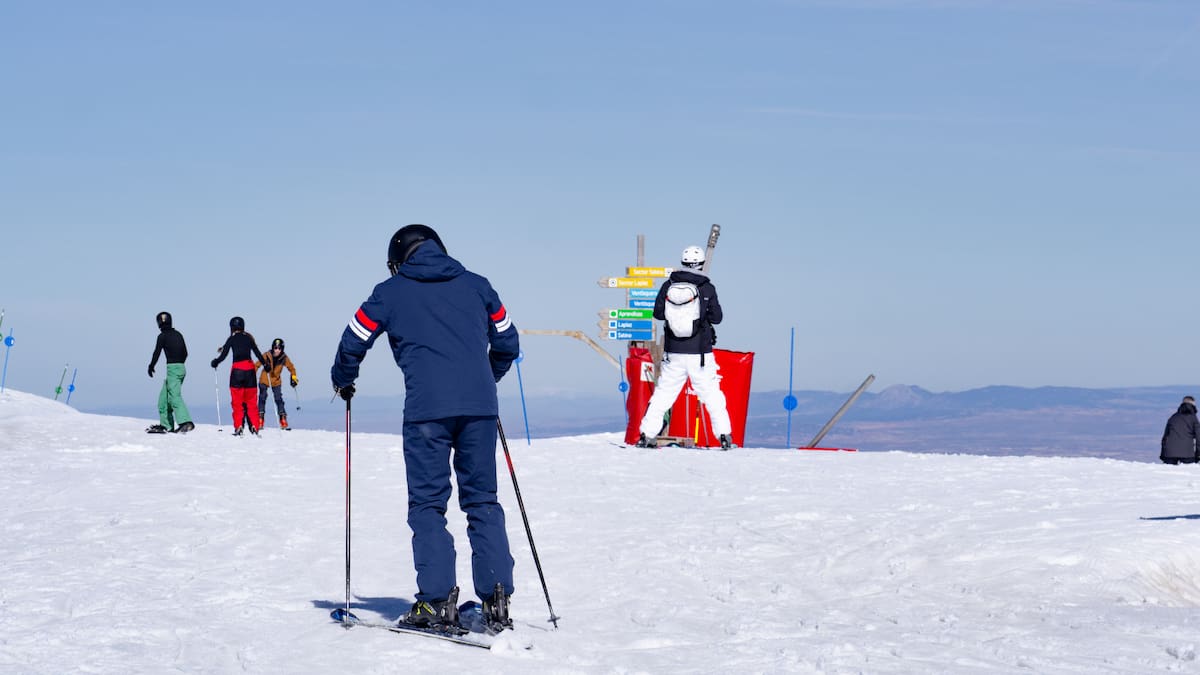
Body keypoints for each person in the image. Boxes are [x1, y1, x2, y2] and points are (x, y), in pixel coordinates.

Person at [331, 224, 520, 632]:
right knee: (483, 501)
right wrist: (486, 379)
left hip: (426, 413)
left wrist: (343, 378)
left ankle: (435, 603)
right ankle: (497, 601)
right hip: (480, 410)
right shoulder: (478, 285)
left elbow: (354, 338)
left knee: (428, 504)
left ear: (399, 260)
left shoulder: (389, 292)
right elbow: (508, 342)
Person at [636, 245, 734, 450]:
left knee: (664, 394)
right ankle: (724, 436)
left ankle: (647, 435)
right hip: (700, 353)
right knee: (711, 394)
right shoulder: (707, 287)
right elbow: (718, 318)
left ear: (682, 262)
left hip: (673, 352)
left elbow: (658, 314)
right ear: (701, 264)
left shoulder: (668, 284)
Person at [211, 316, 267, 436]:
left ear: (232, 327)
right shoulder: (249, 338)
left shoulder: (231, 339)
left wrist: (215, 362)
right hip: (250, 371)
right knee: (251, 401)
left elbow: (223, 355)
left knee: (237, 402)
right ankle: (255, 426)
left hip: (237, 371)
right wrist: (265, 365)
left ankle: (239, 426)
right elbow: (257, 353)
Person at [146, 311, 194, 434]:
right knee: (163, 399)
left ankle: (186, 422)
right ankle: (166, 425)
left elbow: (156, 352)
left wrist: (151, 366)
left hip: (173, 369)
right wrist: (179, 364)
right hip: (180, 368)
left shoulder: (162, 336)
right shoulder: (178, 334)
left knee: (174, 397)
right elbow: (186, 353)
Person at [257, 337, 298, 429]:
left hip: (276, 381)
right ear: (272, 348)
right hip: (265, 379)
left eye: (279, 348)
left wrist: (294, 377)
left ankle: (282, 419)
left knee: (278, 398)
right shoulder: (266, 355)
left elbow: (291, 368)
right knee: (262, 397)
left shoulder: (284, 358)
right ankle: (260, 419)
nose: (277, 350)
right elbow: (257, 365)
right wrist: (251, 375)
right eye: (275, 348)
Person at [1161, 396, 1199, 464]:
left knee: (1168, 473)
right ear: (1193, 405)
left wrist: (1163, 454)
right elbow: (1199, 438)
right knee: (1188, 473)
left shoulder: (1173, 417)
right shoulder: (1193, 418)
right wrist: (1198, 454)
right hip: (1187, 453)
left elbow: (1165, 438)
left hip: (1170, 453)